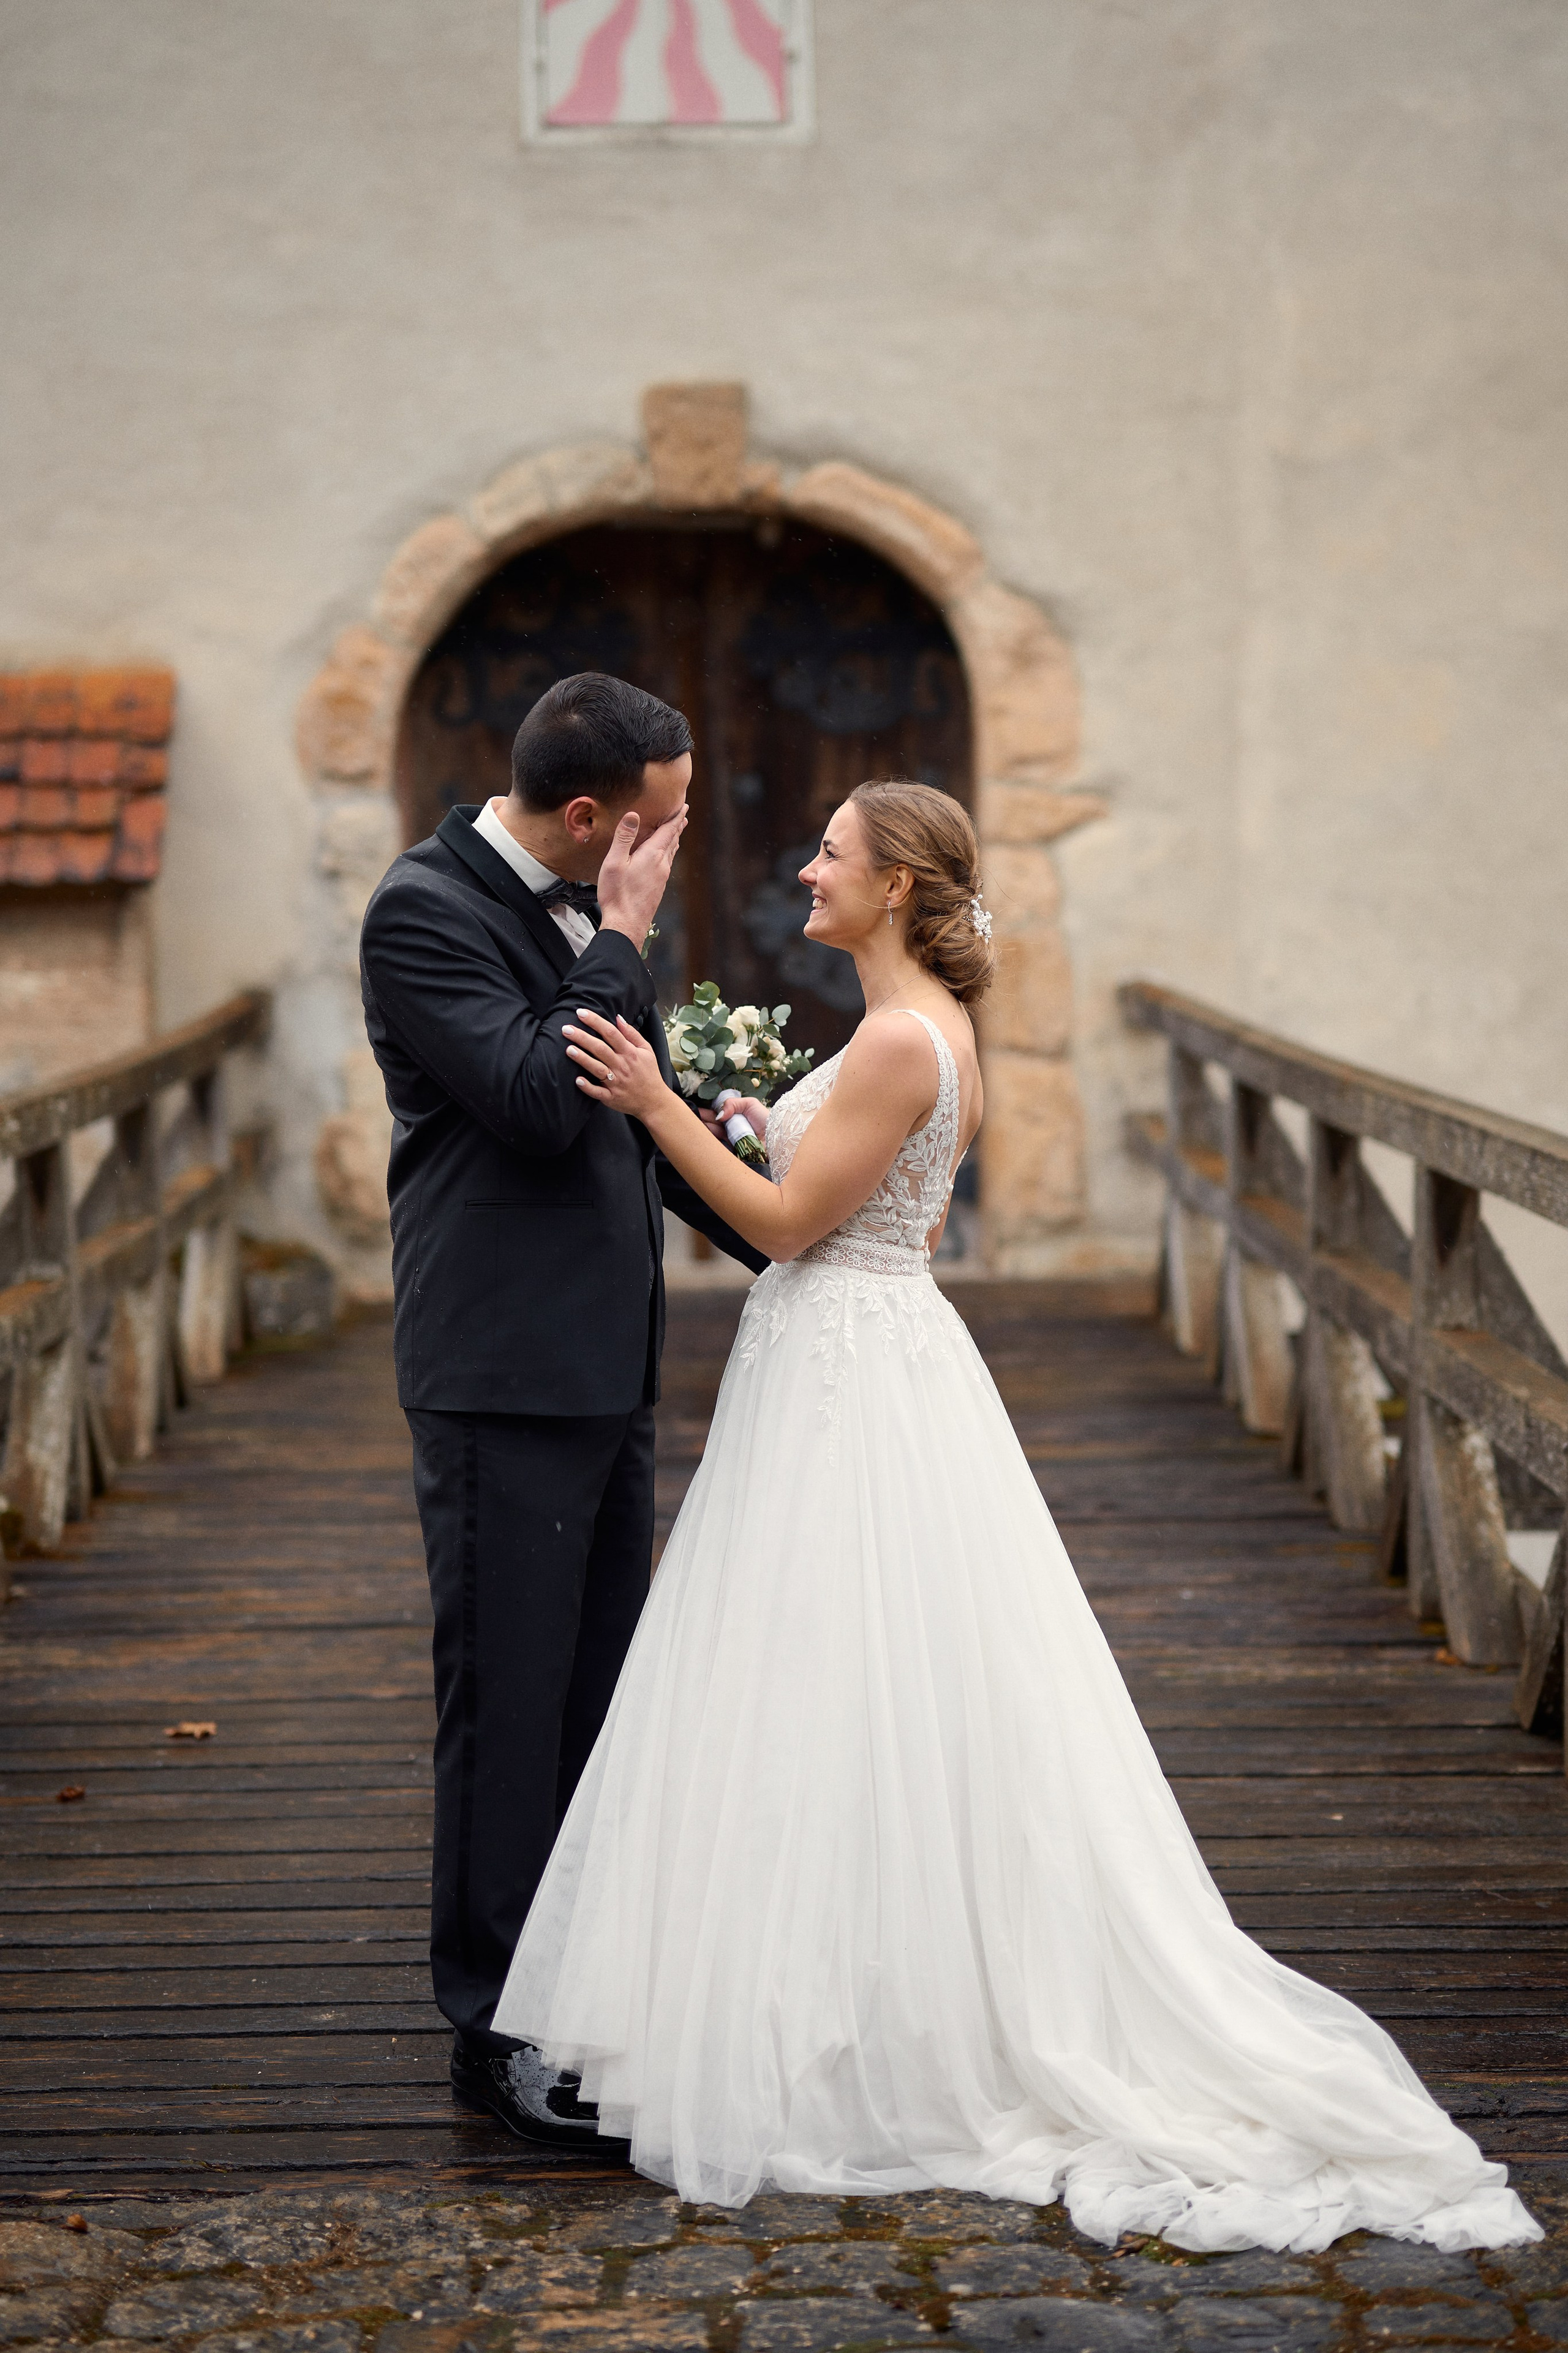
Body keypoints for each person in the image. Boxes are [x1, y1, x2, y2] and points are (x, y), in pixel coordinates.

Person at [492, 778, 1539, 2254]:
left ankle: (843, 2021)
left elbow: (789, 1229)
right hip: (858, 1358)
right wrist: (742, 1115)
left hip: (846, 1369)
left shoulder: (901, 1040)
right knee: (844, 1683)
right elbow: (823, 1187)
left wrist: (659, 1103)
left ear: (899, 888)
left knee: (818, 1674)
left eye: (832, 856)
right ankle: (840, 1984)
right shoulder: (917, 1037)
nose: (806, 869)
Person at [359, 672, 766, 2150]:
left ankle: (583, 1989)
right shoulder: (425, 911)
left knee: (596, 1699)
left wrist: (778, 1212)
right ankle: (492, 2028)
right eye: (655, 827)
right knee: (506, 1701)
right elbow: (541, 1095)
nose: (671, 848)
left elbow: (630, 1103)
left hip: (607, 1364)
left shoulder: (582, 918)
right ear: (590, 819)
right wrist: (625, 934)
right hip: (498, 1371)